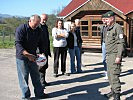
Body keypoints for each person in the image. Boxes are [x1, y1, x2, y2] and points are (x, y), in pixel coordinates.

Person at [15, 14, 49, 99]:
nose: (37, 25)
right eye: (36, 23)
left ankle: (39, 94)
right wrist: (26, 54)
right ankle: (26, 97)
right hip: (22, 57)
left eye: (38, 24)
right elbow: (18, 43)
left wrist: (42, 53)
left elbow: (40, 43)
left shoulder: (38, 30)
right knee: (24, 78)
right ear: (30, 21)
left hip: (33, 57)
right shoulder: (21, 29)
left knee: (36, 76)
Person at [104, 11, 125, 100]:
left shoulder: (117, 27)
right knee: (110, 75)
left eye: (107, 19)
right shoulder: (109, 28)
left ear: (112, 18)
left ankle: (117, 96)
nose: (105, 21)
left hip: (114, 55)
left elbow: (121, 43)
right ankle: (113, 91)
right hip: (109, 55)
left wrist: (118, 56)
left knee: (114, 75)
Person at [39, 14, 51, 88]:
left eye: (46, 19)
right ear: (40, 18)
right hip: (40, 51)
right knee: (40, 67)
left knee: (45, 66)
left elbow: (47, 40)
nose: (44, 21)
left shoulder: (45, 27)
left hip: (46, 50)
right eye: (43, 19)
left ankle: (43, 80)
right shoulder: (38, 27)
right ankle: (40, 82)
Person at [100, 14, 108, 79]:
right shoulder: (102, 27)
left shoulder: (110, 27)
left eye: (105, 19)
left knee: (109, 59)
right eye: (103, 19)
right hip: (103, 43)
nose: (104, 21)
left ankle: (110, 73)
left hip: (109, 44)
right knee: (104, 59)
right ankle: (106, 72)